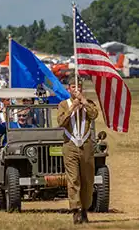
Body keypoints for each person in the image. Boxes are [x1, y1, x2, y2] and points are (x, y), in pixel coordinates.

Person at [57, 75, 98, 224]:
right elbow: (61, 122)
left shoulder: (89, 103)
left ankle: (85, 208)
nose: (76, 89)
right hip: (70, 144)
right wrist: (72, 107)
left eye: (79, 87)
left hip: (86, 144)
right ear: (69, 89)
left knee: (87, 179)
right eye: (73, 87)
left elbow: (94, 115)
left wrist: (84, 102)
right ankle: (76, 210)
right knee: (73, 179)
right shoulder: (63, 104)